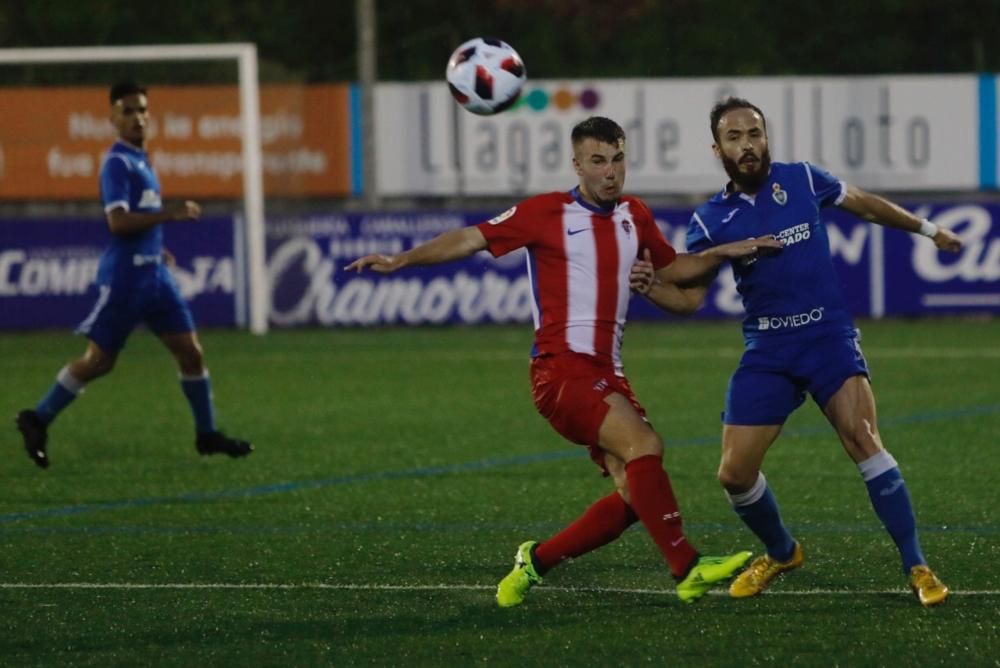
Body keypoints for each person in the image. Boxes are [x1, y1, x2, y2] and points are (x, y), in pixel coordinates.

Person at [347, 116, 782, 606]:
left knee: (636, 495)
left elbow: (675, 268)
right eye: (598, 162)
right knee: (646, 447)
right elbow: (470, 238)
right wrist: (403, 259)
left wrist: (727, 251)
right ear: (577, 164)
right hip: (560, 370)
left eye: (618, 160)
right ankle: (687, 567)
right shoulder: (546, 212)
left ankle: (535, 561)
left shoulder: (633, 214)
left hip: (608, 374)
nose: (610, 172)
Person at [635, 97, 960, 607]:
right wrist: (650, 288)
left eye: (755, 134)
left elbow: (865, 203)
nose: (748, 145)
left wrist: (928, 229)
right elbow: (689, 299)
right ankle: (783, 551)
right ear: (717, 148)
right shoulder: (711, 218)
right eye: (736, 138)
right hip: (768, 348)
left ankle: (917, 564)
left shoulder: (803, 179)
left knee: (864, 440)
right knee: (733, 474)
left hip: (826, 337)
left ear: (767, 137)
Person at [15, 80, 252, 468]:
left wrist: (155, 247)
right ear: (112, 118)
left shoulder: (142, 160)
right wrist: (169, 214)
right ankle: (36, 418)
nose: (137, 117)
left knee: (191, 353)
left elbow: (138, 224)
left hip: (155, 277)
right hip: (127, 280)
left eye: (142, 109)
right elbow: (118, 222)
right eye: (128, 111)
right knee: (98, 361)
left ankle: (207, 435)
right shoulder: (117, 163)